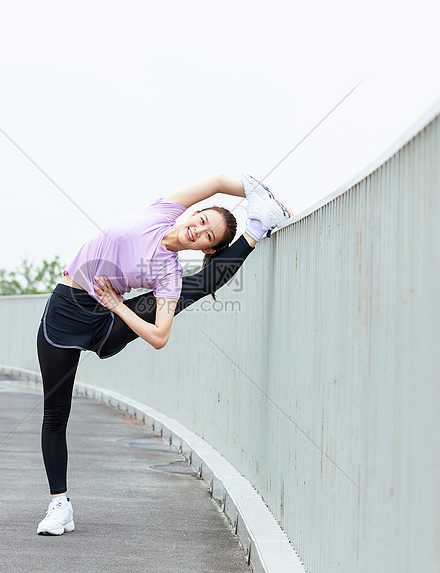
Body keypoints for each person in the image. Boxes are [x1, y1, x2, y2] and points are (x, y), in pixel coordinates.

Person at [36, 174, 291, 535]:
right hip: (65, 310)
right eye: (201, 222)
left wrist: (117, 307)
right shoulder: (161, 211)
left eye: (208, 237)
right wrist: (254, 190)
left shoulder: (168, 274)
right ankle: (59, 506)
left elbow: (159, 337)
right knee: (55, 413)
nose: (199, 231)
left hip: (109, 322)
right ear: (192, 212)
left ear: (206, 249)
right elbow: (218, 181)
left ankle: (255, 229)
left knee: (192, 289)